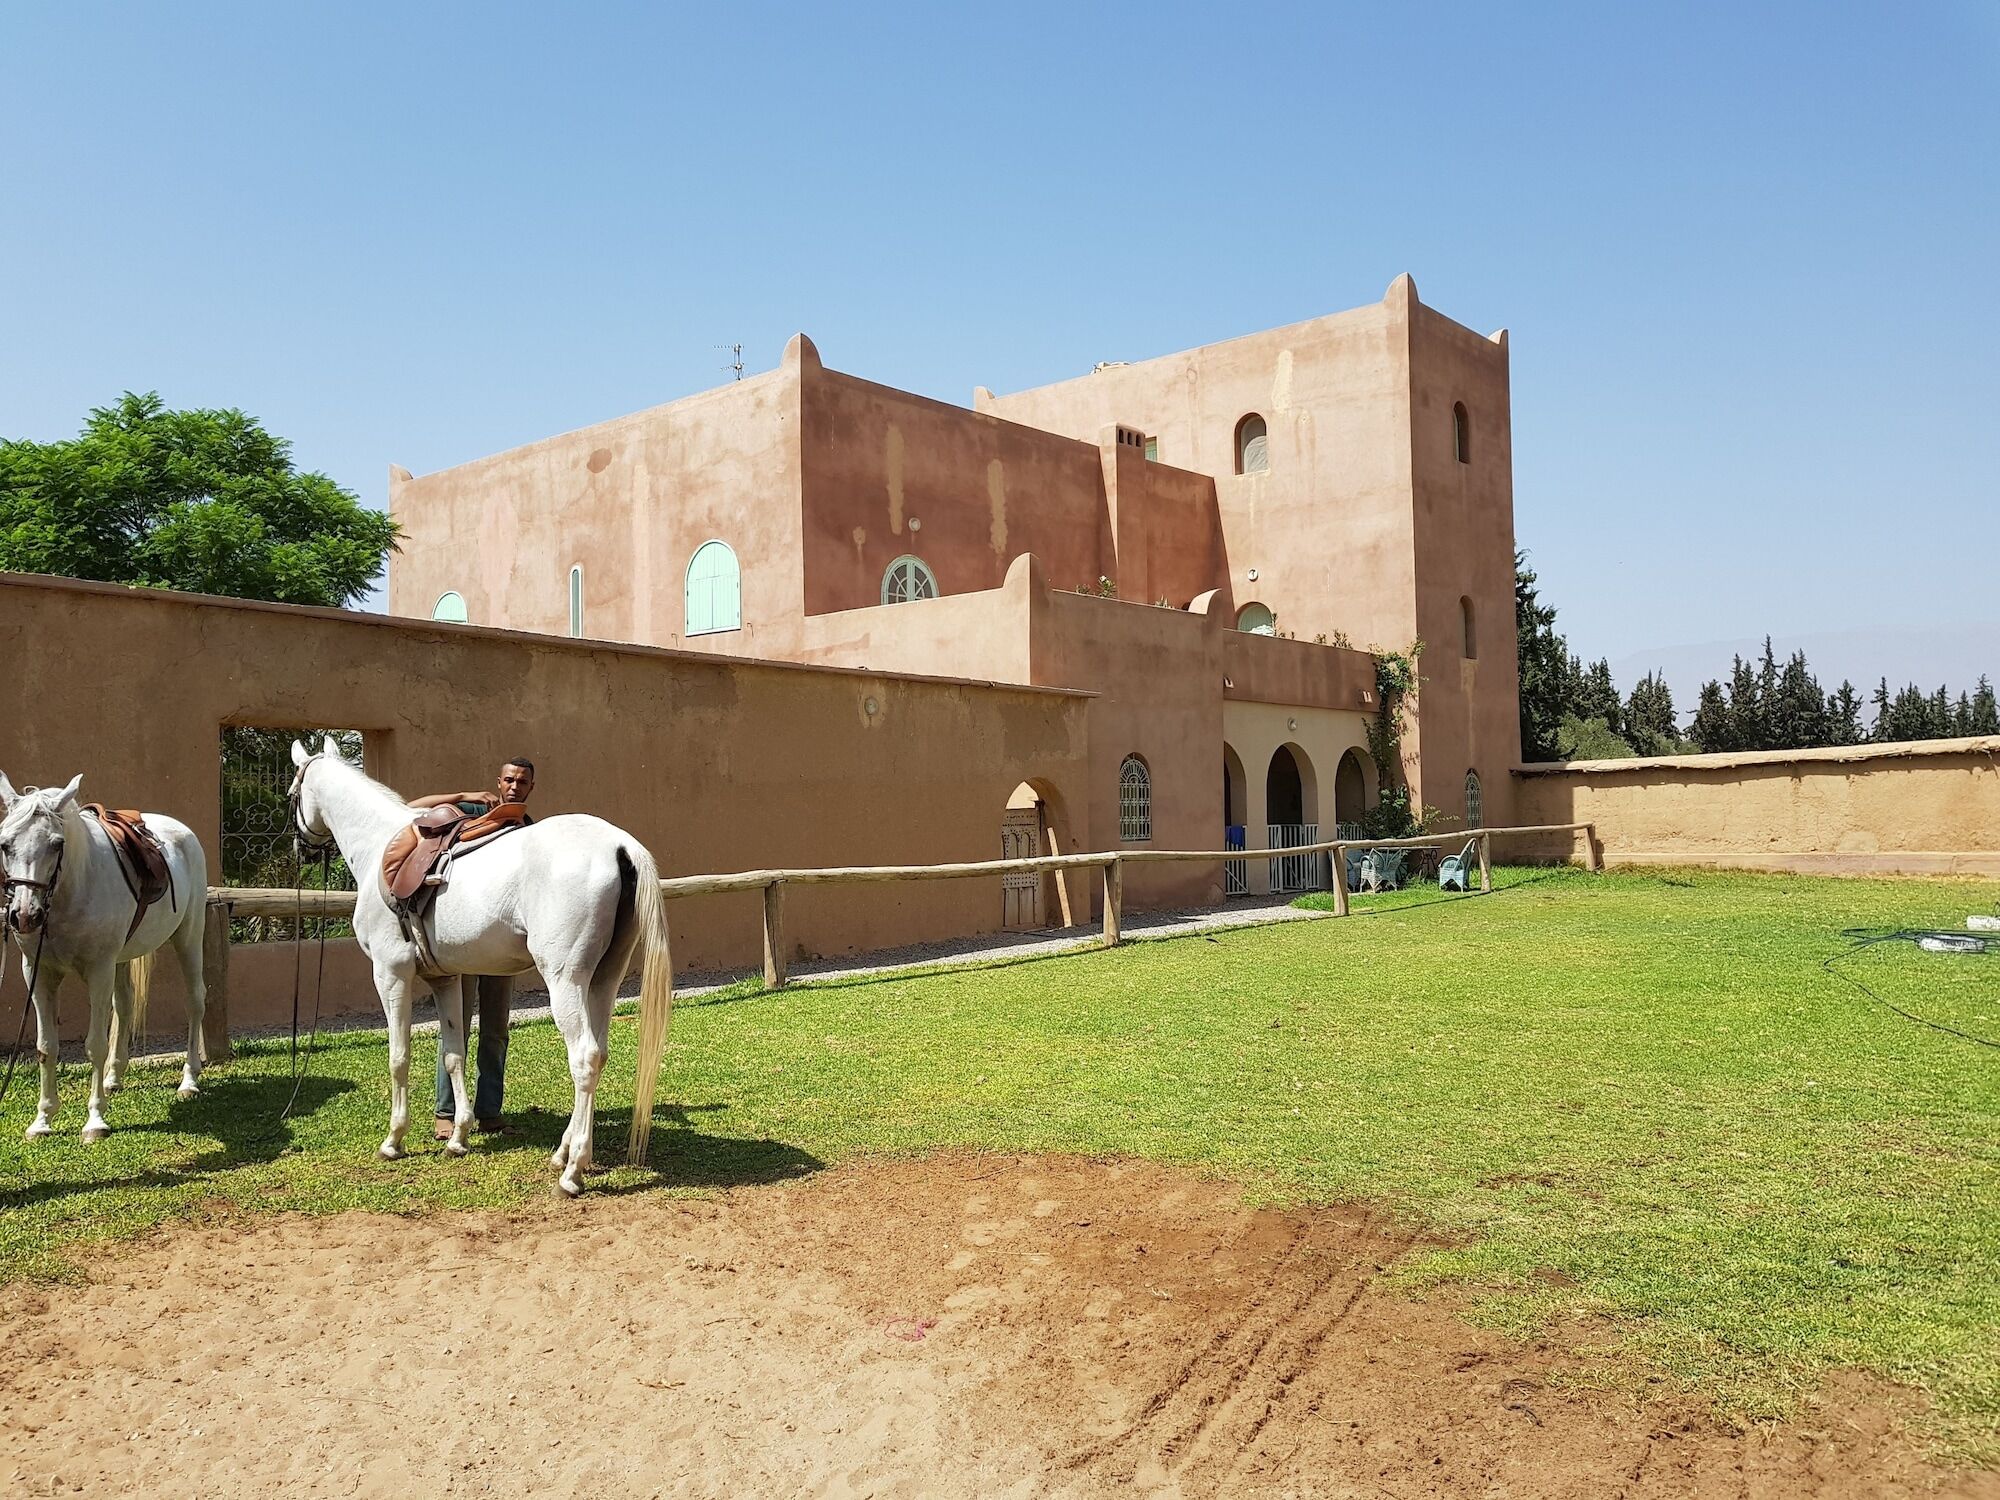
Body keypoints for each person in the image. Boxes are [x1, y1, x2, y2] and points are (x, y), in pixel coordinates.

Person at [408, 758, 535, 1140]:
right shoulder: (474, 810)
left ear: (531, 788)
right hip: (466, 939)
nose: (515, 786)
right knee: (455, 1027)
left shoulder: (529, 828)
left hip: (502, 945)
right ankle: (445, 1112)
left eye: (523, 782)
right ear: (499, 781)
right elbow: (414, 808)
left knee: (496, 1030)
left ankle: (489, 1111)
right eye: (509, 779)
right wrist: (462, 795)